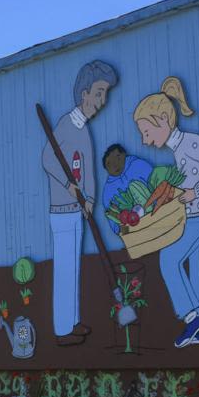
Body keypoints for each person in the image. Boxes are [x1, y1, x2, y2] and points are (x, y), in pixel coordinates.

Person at [133, 77, 199, 347]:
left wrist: (196, 191)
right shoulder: (177, 153)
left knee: (169, 259)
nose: (145, 141)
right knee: (198, 273)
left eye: (147, 133)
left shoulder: (190, 144)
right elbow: (181, 184)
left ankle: (189, 316)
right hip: (198, 214)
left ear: (163, 120)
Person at [40, 60, 117, 346]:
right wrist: (68, 186)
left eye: (105, 94)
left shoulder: (82, 129)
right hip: (62, 211)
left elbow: (88, 171)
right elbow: (48, 158)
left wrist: (91, 199)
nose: (102, 100)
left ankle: (72, 322)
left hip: (78, 210)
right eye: (98, 93)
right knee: (64, 268)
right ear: (84, 93)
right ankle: (61, 330)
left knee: (73, 268)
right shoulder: (66, 124)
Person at [100, 143, 153, 215]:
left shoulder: (139, 165)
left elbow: (156, 183)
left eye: (117, 157)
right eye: (109, 164)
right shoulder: (107, 192)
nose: (114, 164)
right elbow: (112, 217)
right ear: (106, 169)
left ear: (124, 154)